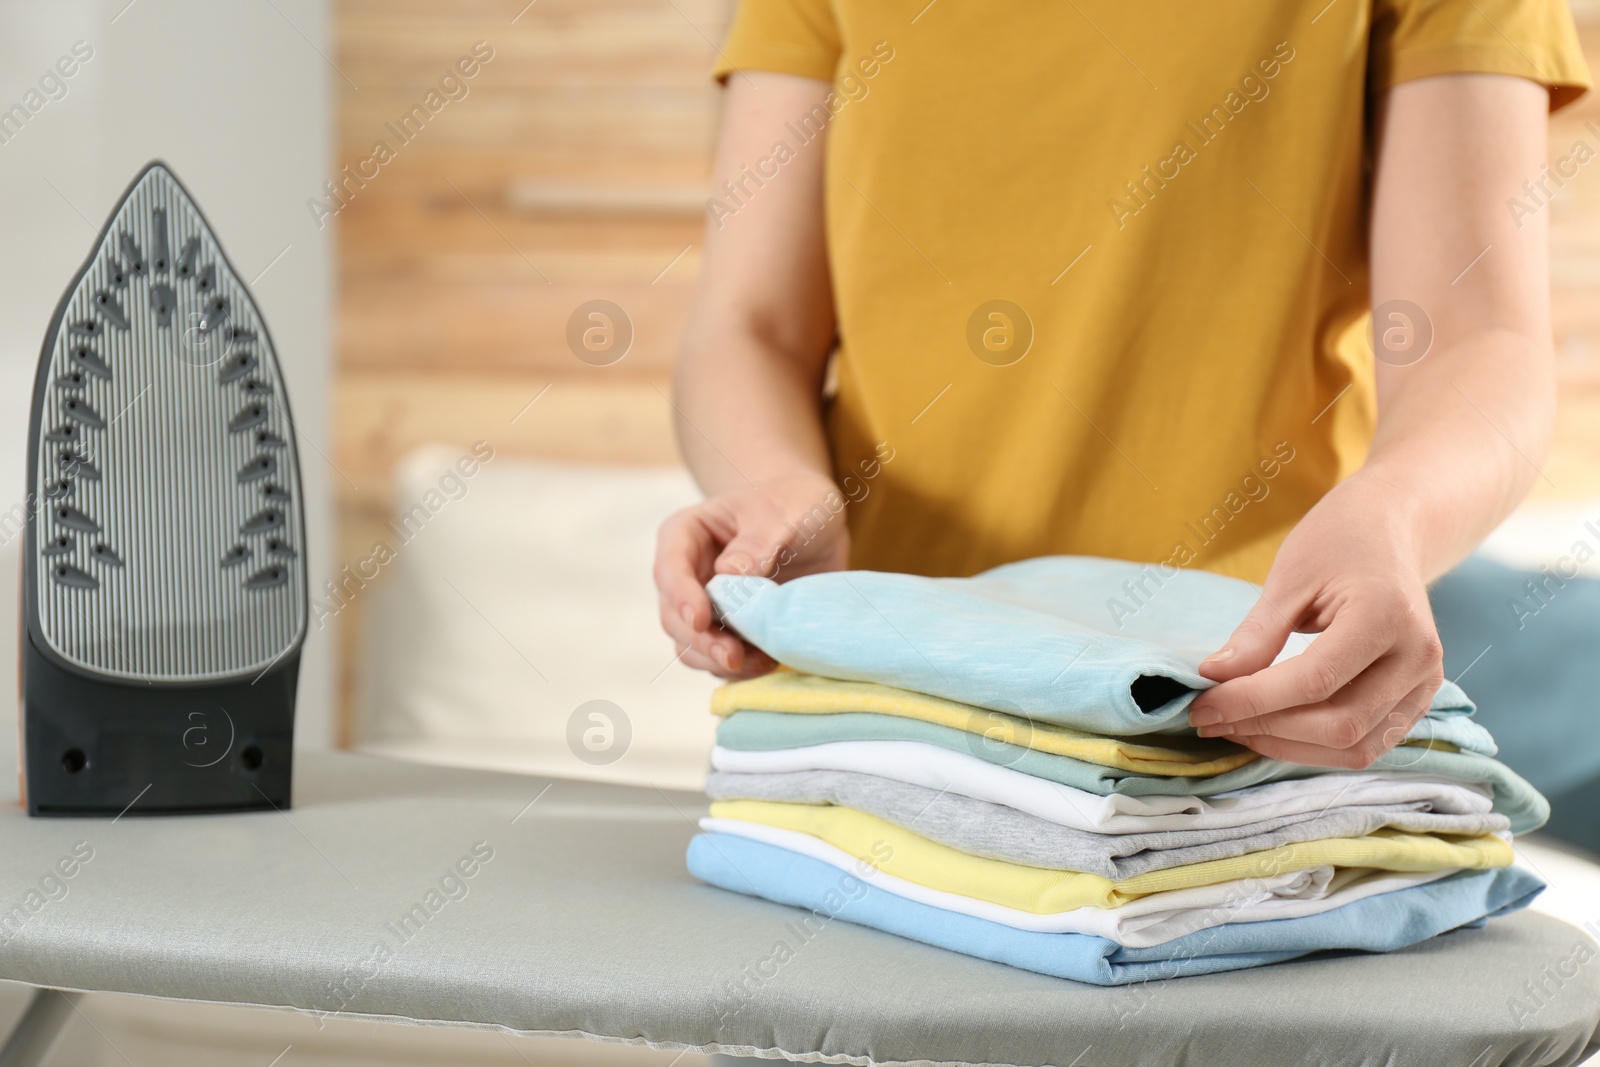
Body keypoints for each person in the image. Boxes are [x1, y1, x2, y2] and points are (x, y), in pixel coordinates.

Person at [652, 1, 1594, 840]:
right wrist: (779, 484)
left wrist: (1395, 515)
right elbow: (750, 329)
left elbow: (1473, 336)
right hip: (887, 714)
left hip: (1244, 709)